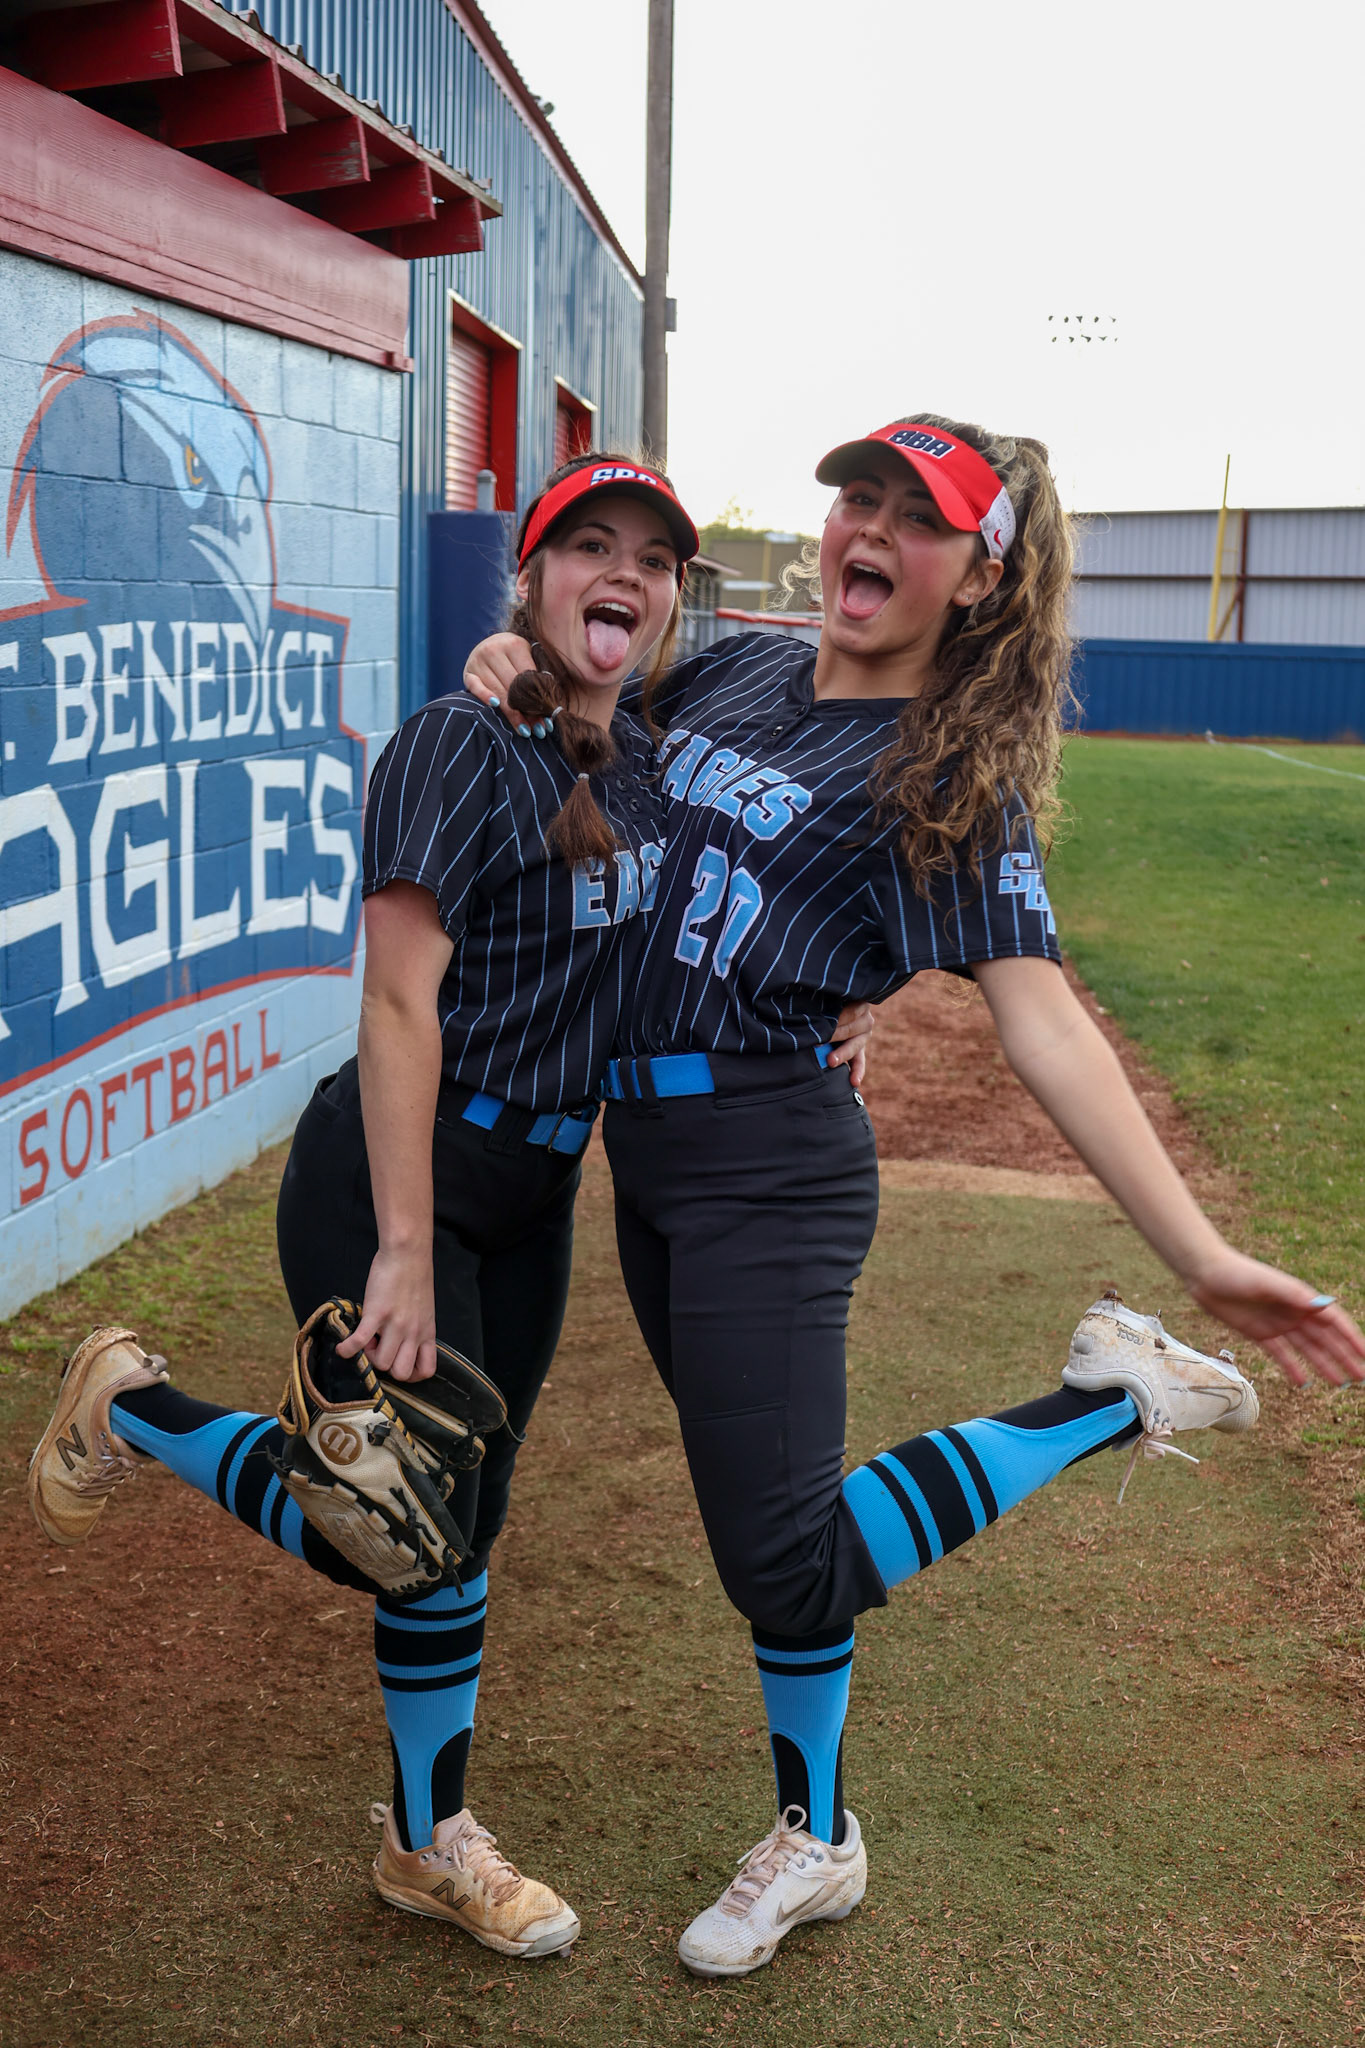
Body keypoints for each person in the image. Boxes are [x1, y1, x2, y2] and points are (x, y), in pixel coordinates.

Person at [462, 415, 1365, 1979]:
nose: (863, 532)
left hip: (770, 1170)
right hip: (651, 1159)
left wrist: (1202, 1250)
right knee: (774, 1534)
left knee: (787, 1554)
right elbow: (585, 690)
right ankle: (813, 1836)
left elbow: (1043, 1021)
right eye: (855, 501)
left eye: (915, 519)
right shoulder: (736, 666)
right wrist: (509, 666)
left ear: (980, 577)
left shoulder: (946, 777)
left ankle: (1115, 1395)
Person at [26, 453, 870, 1958]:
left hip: (536, 1188)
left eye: (654, 560)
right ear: (529, 578)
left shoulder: (663, 754)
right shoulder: (453, 742)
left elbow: (769, 864)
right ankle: (137, 1411)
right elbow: (396, 1007)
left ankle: (423, 1849)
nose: (623, 573)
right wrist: (402, 1248)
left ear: (677, 598)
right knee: (387, 1523)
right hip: (395, 1171)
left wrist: (834, 1005)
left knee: (452, 1527)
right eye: (584, 548)